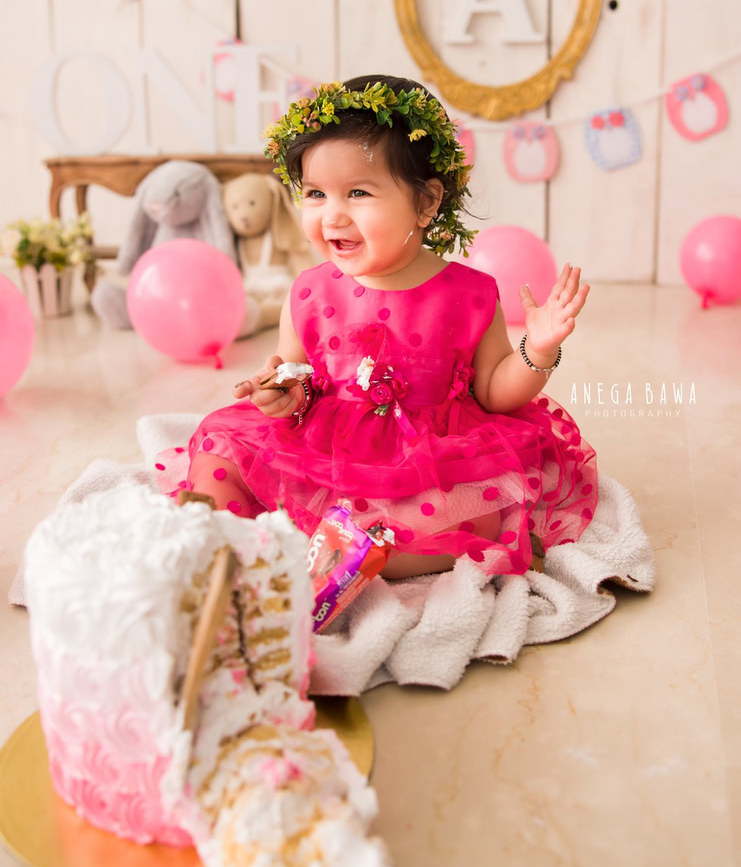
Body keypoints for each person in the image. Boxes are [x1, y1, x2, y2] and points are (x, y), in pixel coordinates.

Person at [154, 74, 597, 579]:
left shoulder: (469, 294)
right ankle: (236, 542)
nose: (332, 216)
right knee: (221, 456)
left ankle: (353, 557)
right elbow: (297, 371)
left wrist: (537, 350)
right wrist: (283, 391)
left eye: (358, 193)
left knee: (483, 518)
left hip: (429, 460)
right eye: (316, 193)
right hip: (322, 452)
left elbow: (496, 394)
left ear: (427, 203)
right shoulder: (309, 292)